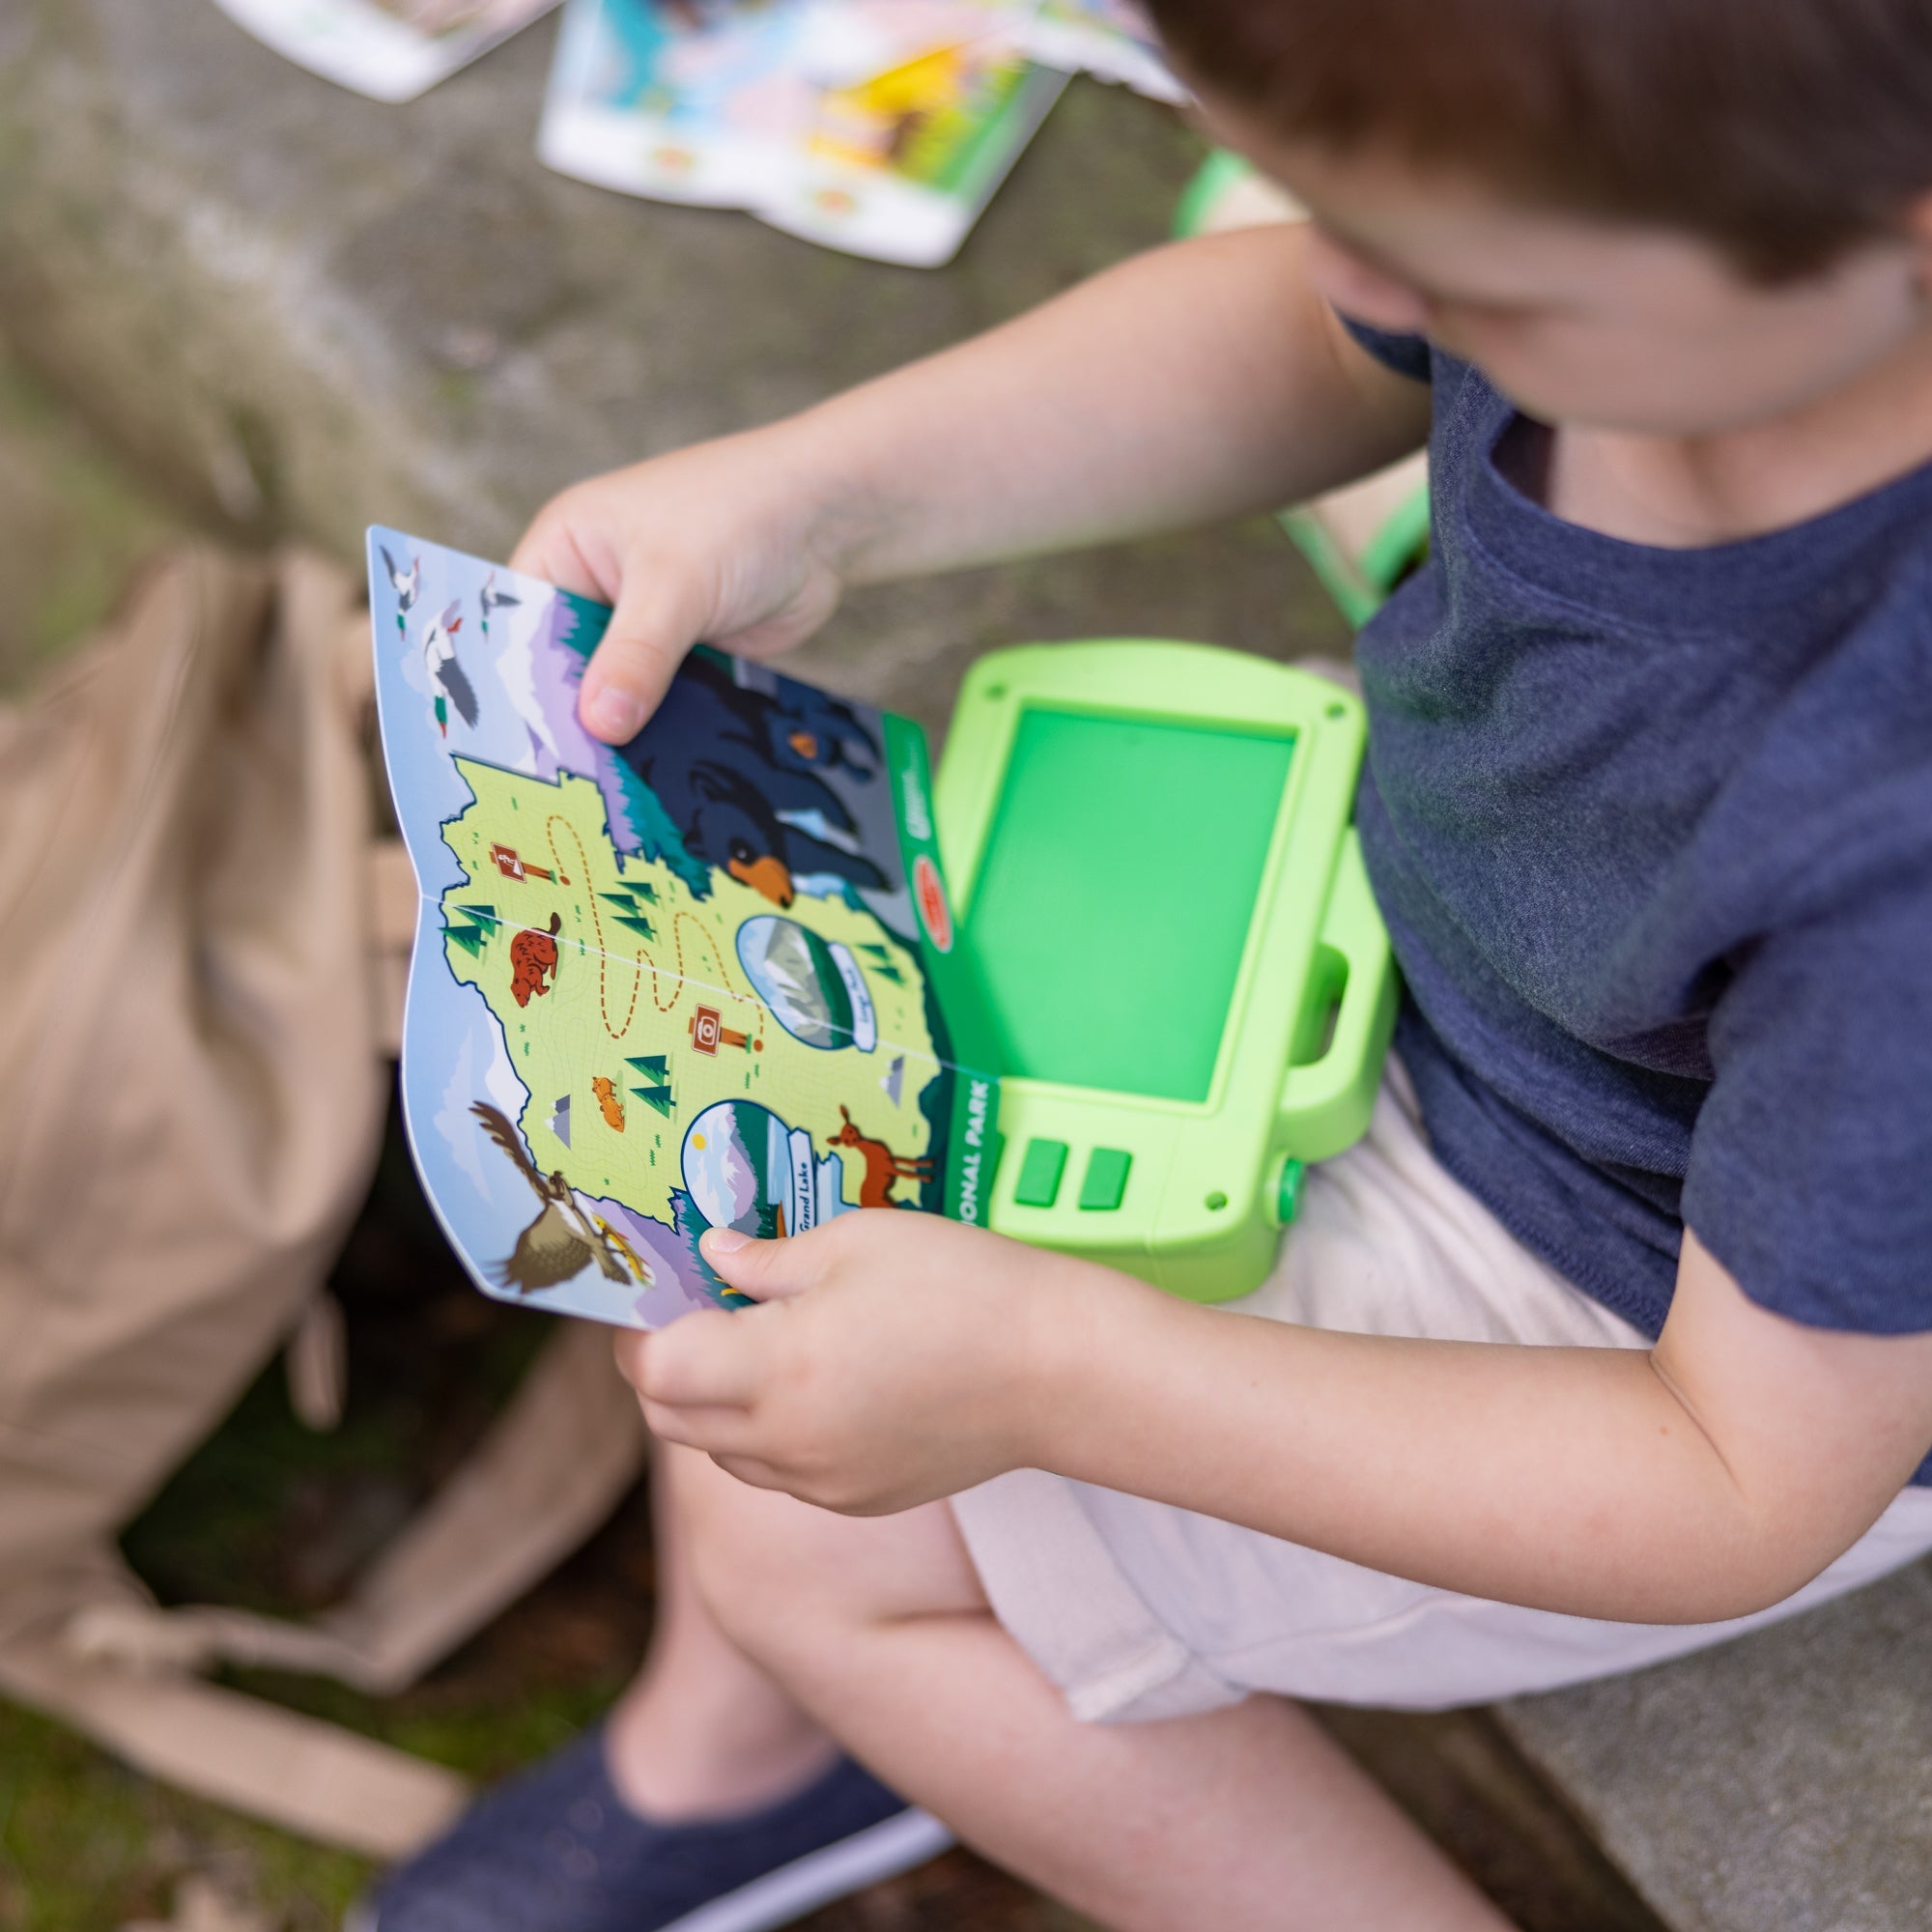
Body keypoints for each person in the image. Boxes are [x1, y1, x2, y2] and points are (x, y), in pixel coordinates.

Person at [365, 2, 1932, 1926]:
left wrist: (1055, 1368)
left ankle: (820, 1710)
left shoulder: (1893, 839)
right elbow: (1305, 327)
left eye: (1462, 275)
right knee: (775, 1225)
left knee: (809, 1536)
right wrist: (817, 489)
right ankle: (755, 1742)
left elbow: (1736, 1479)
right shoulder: (1649, 213)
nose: (1350, 269)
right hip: (1452, 926)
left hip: (1652, 1308)